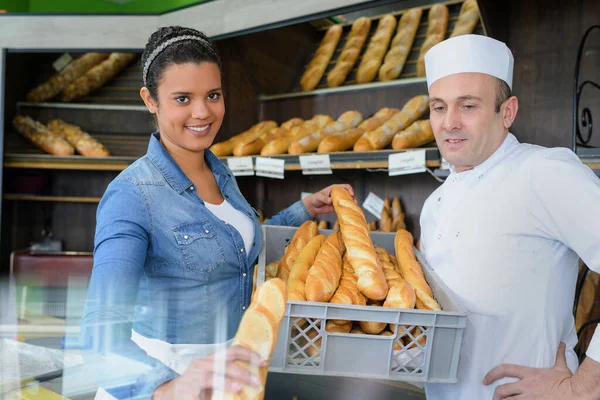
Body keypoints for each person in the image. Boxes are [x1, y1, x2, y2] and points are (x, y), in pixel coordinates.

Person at [80, 26, 355, 400]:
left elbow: (237, 254)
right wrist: (169, 387)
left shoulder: (220, 172)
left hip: (230, 376)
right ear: (150, 100)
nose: (202, 112)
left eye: (213, 95)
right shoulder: (132, 194)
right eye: (182, 98)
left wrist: (303, 209)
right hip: (164, 382)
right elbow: (99, 337)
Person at [419, 34, 600, 399]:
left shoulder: (544, 173)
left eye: (467, 106)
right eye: (439, 107)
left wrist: (583, 389)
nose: (449, 123)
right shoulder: (434, 204)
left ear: (508, 111)